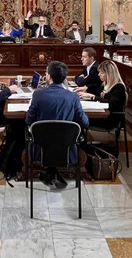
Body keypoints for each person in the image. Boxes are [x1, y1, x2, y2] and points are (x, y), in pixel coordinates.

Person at [26, 60, 89, 189]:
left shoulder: (38, 94)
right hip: (67, 148)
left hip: (40, 148)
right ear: (65, 77)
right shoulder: (73, 97)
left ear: (48, 76)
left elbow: (29, 120)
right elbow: (84, 122)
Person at [78, 60, 126, 130]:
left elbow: (111, 104)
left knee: (79, 118)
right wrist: (87, 92)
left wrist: (93, 97)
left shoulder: (119, 87)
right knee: (79, 116)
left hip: (109, 119)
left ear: (109, 74)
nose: (99, 74)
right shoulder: (104, 84)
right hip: (101, 114)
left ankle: (79, 136)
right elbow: (98, 94)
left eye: (101, 73)